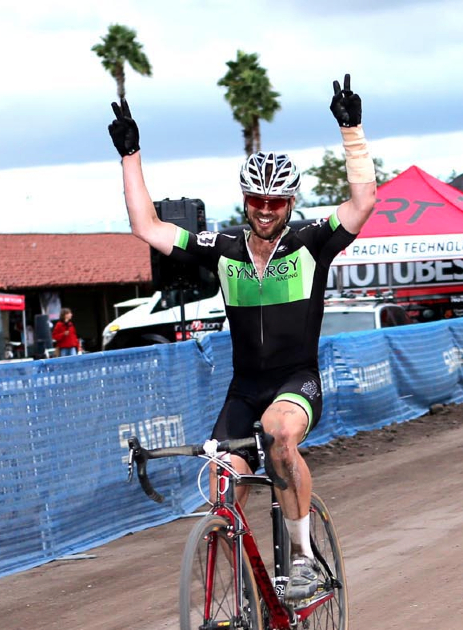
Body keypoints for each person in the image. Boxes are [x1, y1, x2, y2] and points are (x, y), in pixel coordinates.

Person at [109, 74, 376, 600]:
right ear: (246, 199)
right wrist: (130, 154)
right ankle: (254, 590)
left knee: (279, 434)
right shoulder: (224, 246)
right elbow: (147, 226)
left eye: (277, 201)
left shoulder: (310, 244)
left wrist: (351, 130)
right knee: (218, 486)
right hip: (243, 387)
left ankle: (301, 559)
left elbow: (363, 201)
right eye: (258, 199)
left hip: (297, 382)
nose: (267, 209)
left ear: (291, 202)